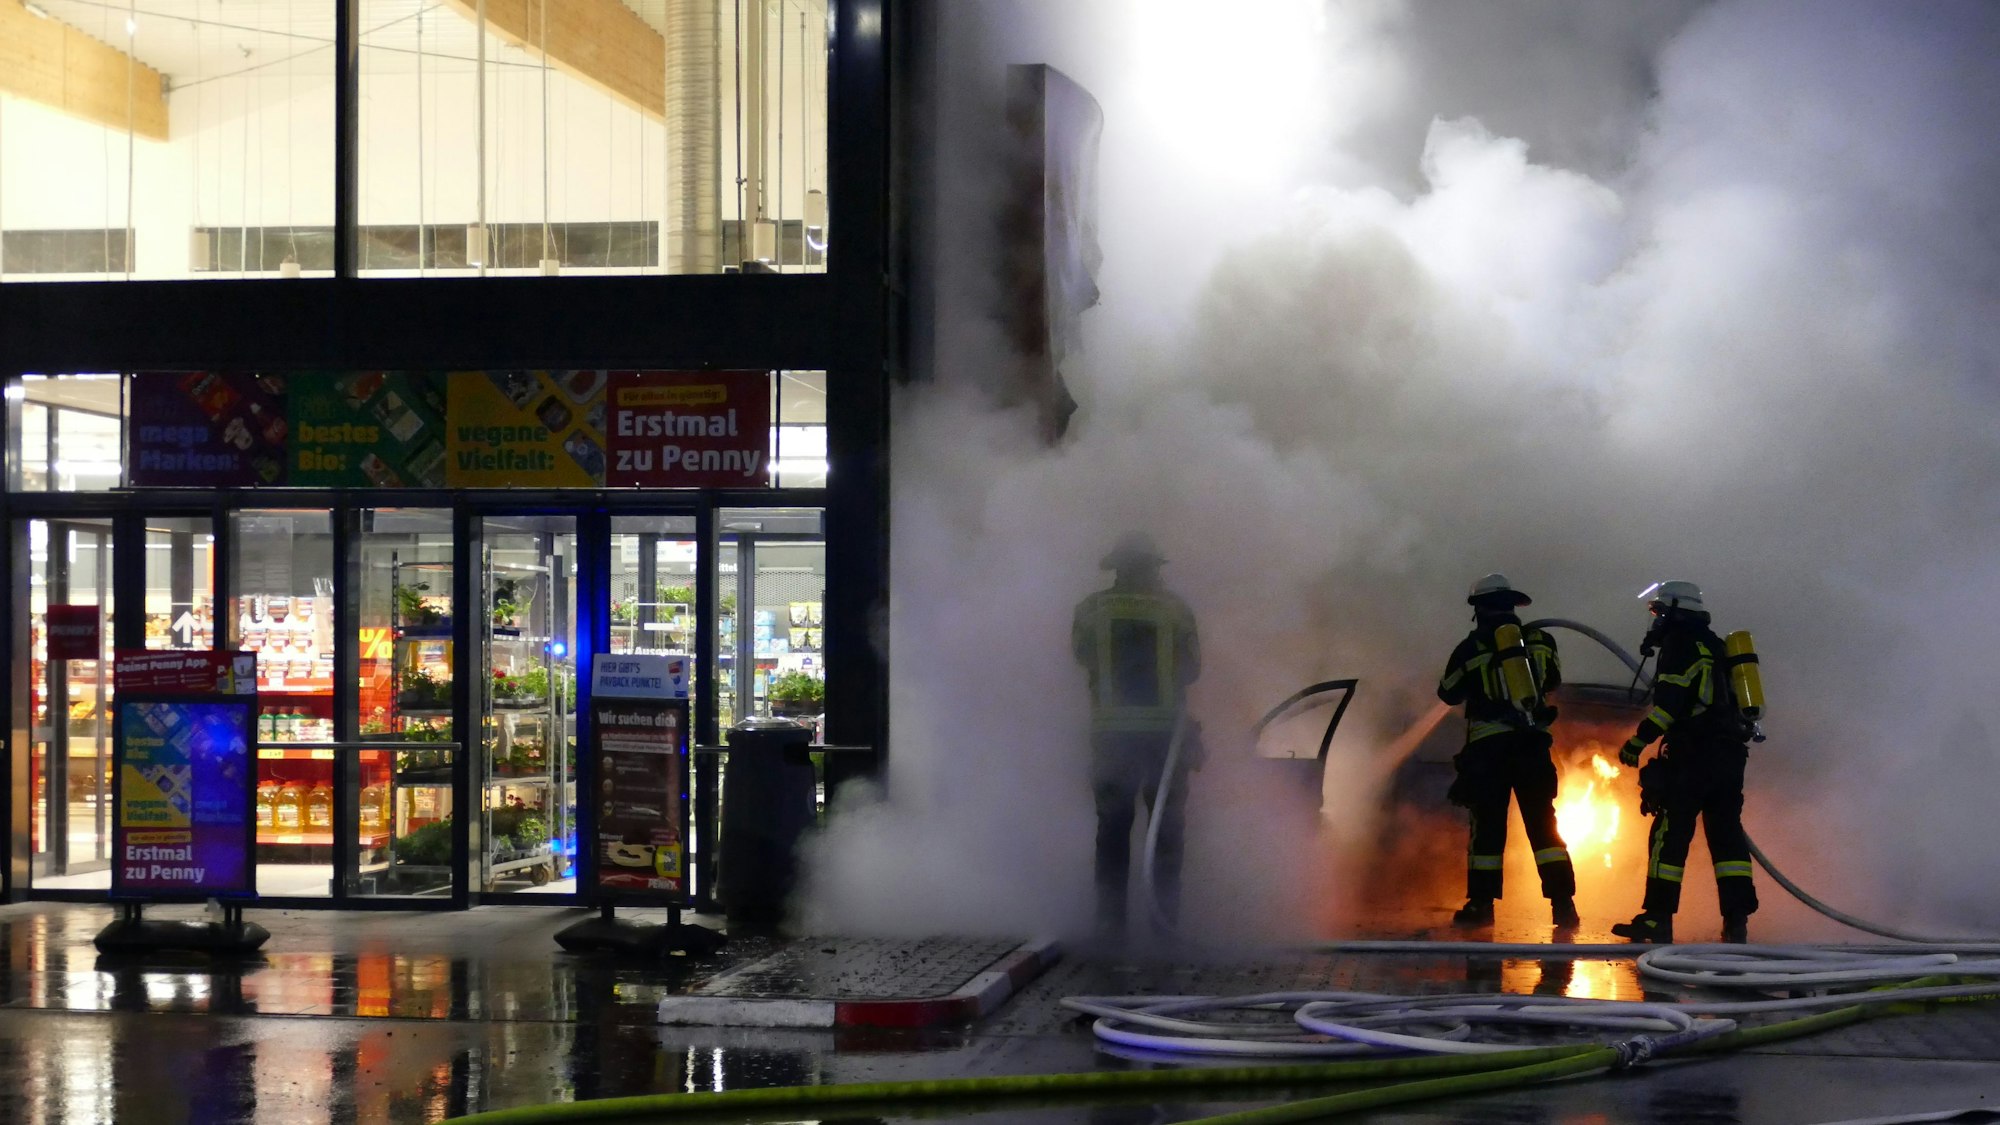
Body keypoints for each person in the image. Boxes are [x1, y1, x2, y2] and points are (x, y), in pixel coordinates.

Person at [1612, 580, 1758, 944]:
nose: (1657, 621)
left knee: (1669, 835)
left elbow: (1670, 707)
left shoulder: (1680, 645)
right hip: (1730, 757)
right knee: (1728, 842)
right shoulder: (1718, 646)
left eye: (1660, 612)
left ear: (1676, 610)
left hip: (1693, 754)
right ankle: (1736, 924)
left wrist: (1636, 742)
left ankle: (1657, 919)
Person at [1072, 531, 1201, 939]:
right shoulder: (1176, 609)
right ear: (1153, 568)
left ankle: (1111, 927)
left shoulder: (1091, 609)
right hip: (1165, 736)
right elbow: (1193, 670)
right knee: (1165, 831)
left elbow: (1082, 657)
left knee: (1112, 830)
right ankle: (1165, 927)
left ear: (1116, 569)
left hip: (1112, 737)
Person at [1436, 574, 1578, 928]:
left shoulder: (1470, 648)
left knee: (1487, 831)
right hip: (1532, 748)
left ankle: (1481, 908)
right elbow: (1554, 681)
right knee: (1545, 829)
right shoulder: (1542, 640)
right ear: (1513, 604)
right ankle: (1564, 907)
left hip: (1488, 754)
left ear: (1479, 607)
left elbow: (1447, 692)